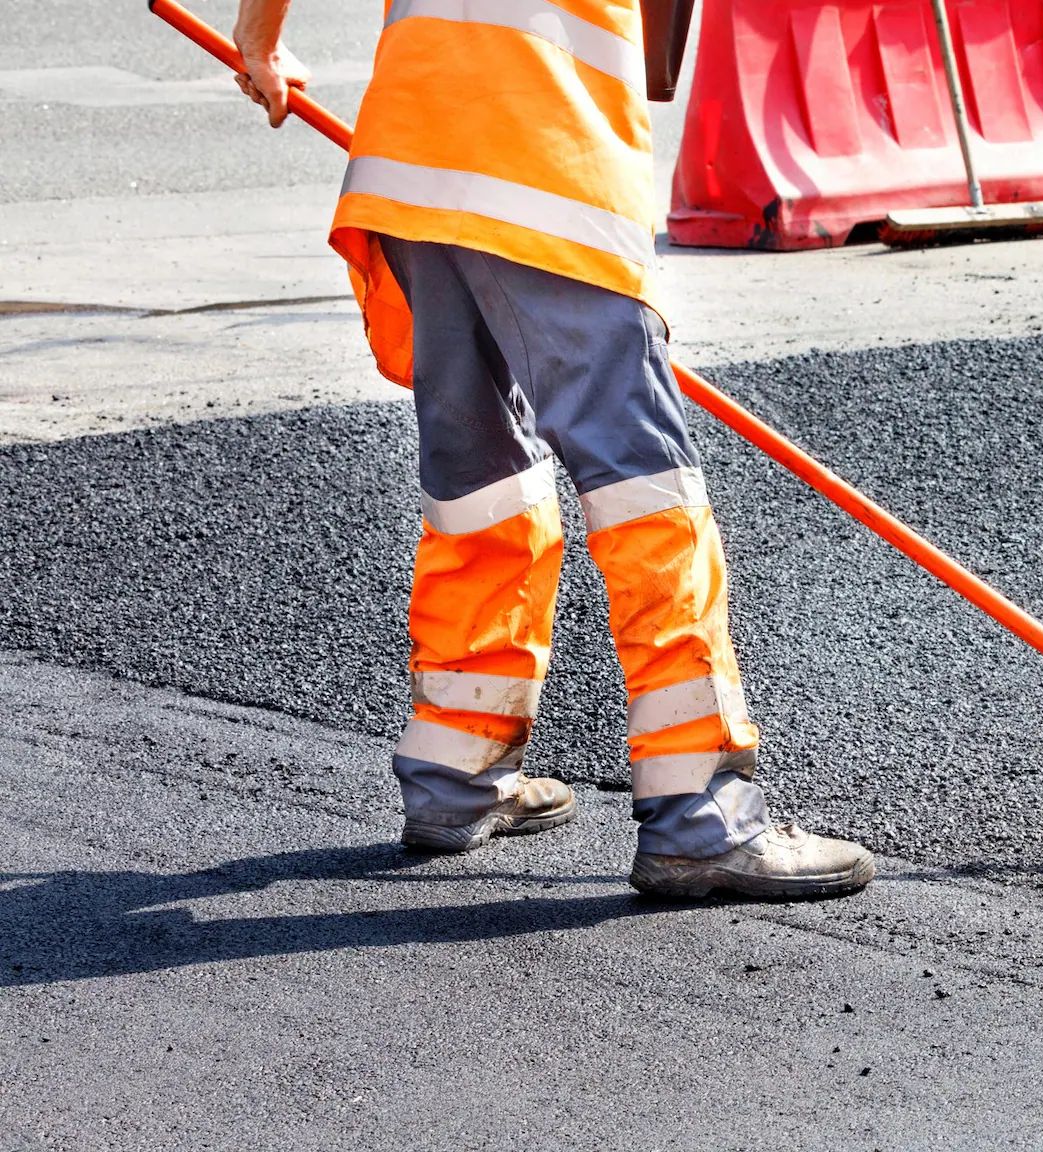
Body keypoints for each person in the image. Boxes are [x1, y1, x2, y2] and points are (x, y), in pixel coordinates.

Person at [230, 0, 873, 898]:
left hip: (411, 166)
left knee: (481, 477)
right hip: (545, 159)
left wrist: (258, 41)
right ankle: (700, 817)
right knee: (644, 480)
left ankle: (457, 776)